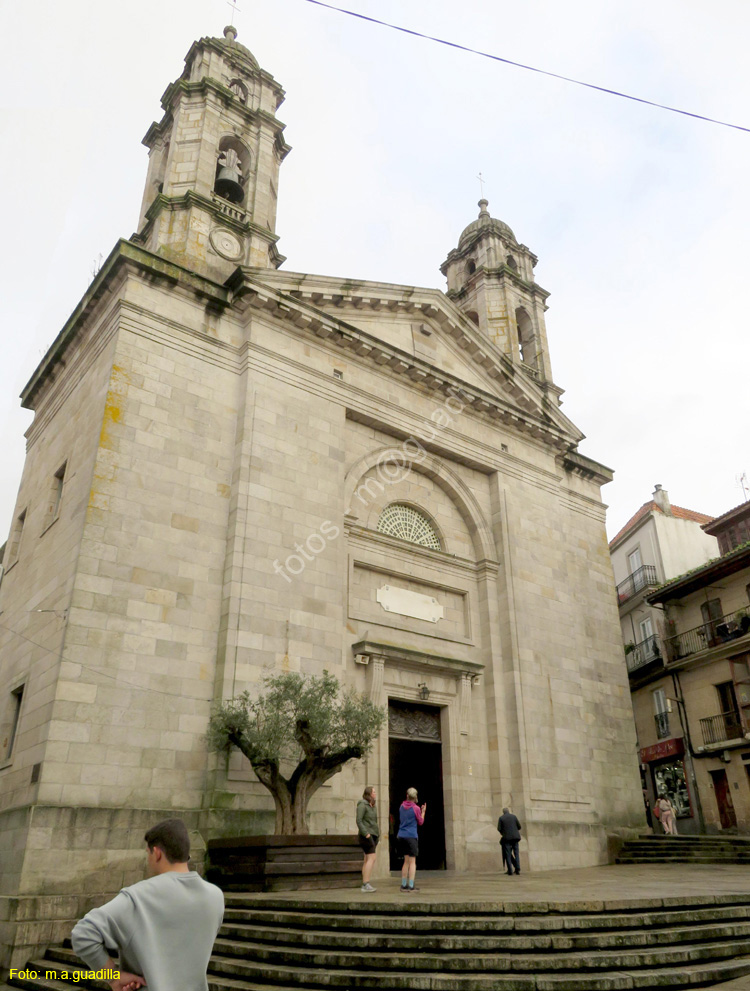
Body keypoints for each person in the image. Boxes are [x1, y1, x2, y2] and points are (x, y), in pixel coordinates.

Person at [72, 818, 225, 991]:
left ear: (157, 853)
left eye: (148, 853)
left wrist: (113, 977)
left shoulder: (137, 897)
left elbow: (83, 934)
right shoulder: (215, 897)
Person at [397, 787, 425, 893]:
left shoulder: (401, 807)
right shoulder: (416, 808)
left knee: (406, 861)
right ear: (415, 797)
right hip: (411, 836)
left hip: (401, 835)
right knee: (412, 862)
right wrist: (423, 812)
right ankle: (411, 885)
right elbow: (420, 822)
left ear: (407, 796)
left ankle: (403, 885)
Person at [356, 785, 380, 892]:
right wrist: (366, 834)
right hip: (366, 835)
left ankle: (364, 883)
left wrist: (377, 835)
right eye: (373, 792)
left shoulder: (373, 806)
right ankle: (366, 883)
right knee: (372, 858)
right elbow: (359, 820)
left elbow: (374, 822)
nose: (375, 793)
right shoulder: (362, 804)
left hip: (373, 835)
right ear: (369, 794)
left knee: (367, 859)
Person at [497, 807, 522, 875]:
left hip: (507, 838)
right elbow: (519, 827)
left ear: (503, 812)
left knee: (508, 854)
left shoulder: (501, 818)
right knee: (516, 853)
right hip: (515, 838)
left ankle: (510, 870)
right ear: (508, 811)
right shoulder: (514, 817)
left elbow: (499, 829)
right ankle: (517, 869)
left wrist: (504, 833)